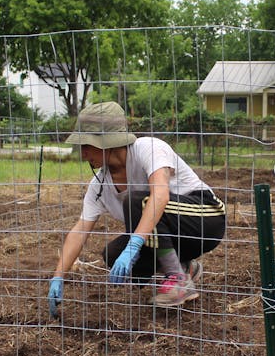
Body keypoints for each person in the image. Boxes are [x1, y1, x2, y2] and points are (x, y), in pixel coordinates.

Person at [46, 101, 226, 317]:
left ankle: (177, 279)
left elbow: (160, 194)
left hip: (206, 218)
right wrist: (58, 276)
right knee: (112, 255)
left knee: (136, 202)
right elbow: (80, 230)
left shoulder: (148, 148)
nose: (83, 154)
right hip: (176, 234)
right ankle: (184, 267)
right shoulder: (100, 186)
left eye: (87, 145)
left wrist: (134, 245)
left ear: (107, 141)